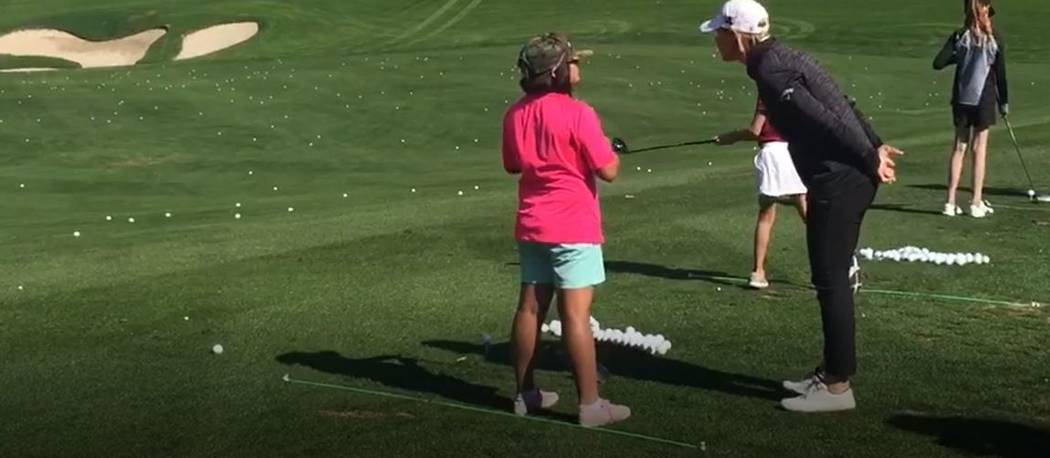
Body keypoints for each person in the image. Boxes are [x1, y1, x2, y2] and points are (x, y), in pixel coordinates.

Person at [699, 0, 903, 412]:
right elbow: (840, 100)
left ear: (737, 35)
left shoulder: (770, 69)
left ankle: (837, 387)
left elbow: (828, 117)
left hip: (840, 178)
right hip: (845, 173)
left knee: (830, 280)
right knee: (831, 277)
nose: (716, 40)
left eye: (719, 32)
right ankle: (830, 372)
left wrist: (869, 155)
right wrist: (875, 141)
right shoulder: (780, 58)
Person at [502, 32, 630, 427]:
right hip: (573, 225)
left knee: (530, 307)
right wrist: (607, 148)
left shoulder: (516, 113)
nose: (578, 68)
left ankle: (525, 395)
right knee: (575, 315)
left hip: (532, 222)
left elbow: (513, 165)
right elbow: (608, 170)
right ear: (558, 72)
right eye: (574, 62)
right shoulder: (579, 113)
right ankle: (591, 405)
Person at [717, 99, 808, 289]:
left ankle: (758, 273)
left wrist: (731, 137)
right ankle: (834, 268)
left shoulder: (767, 94)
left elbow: (755, 131)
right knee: (808, 214)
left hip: (772, 155)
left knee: (766, 215)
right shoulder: (798, 91)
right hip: (794, 154)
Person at [934, 0, 1008, 218]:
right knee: (979, 149)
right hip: (983, 100)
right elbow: (1001, 76)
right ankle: (975, 202)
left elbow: (938, 62)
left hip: (961, 99)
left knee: (959, 147)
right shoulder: (995, 39)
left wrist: (960, 57)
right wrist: (1004, 103)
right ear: (986, 10)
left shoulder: (960, 36)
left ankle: (949, 202)